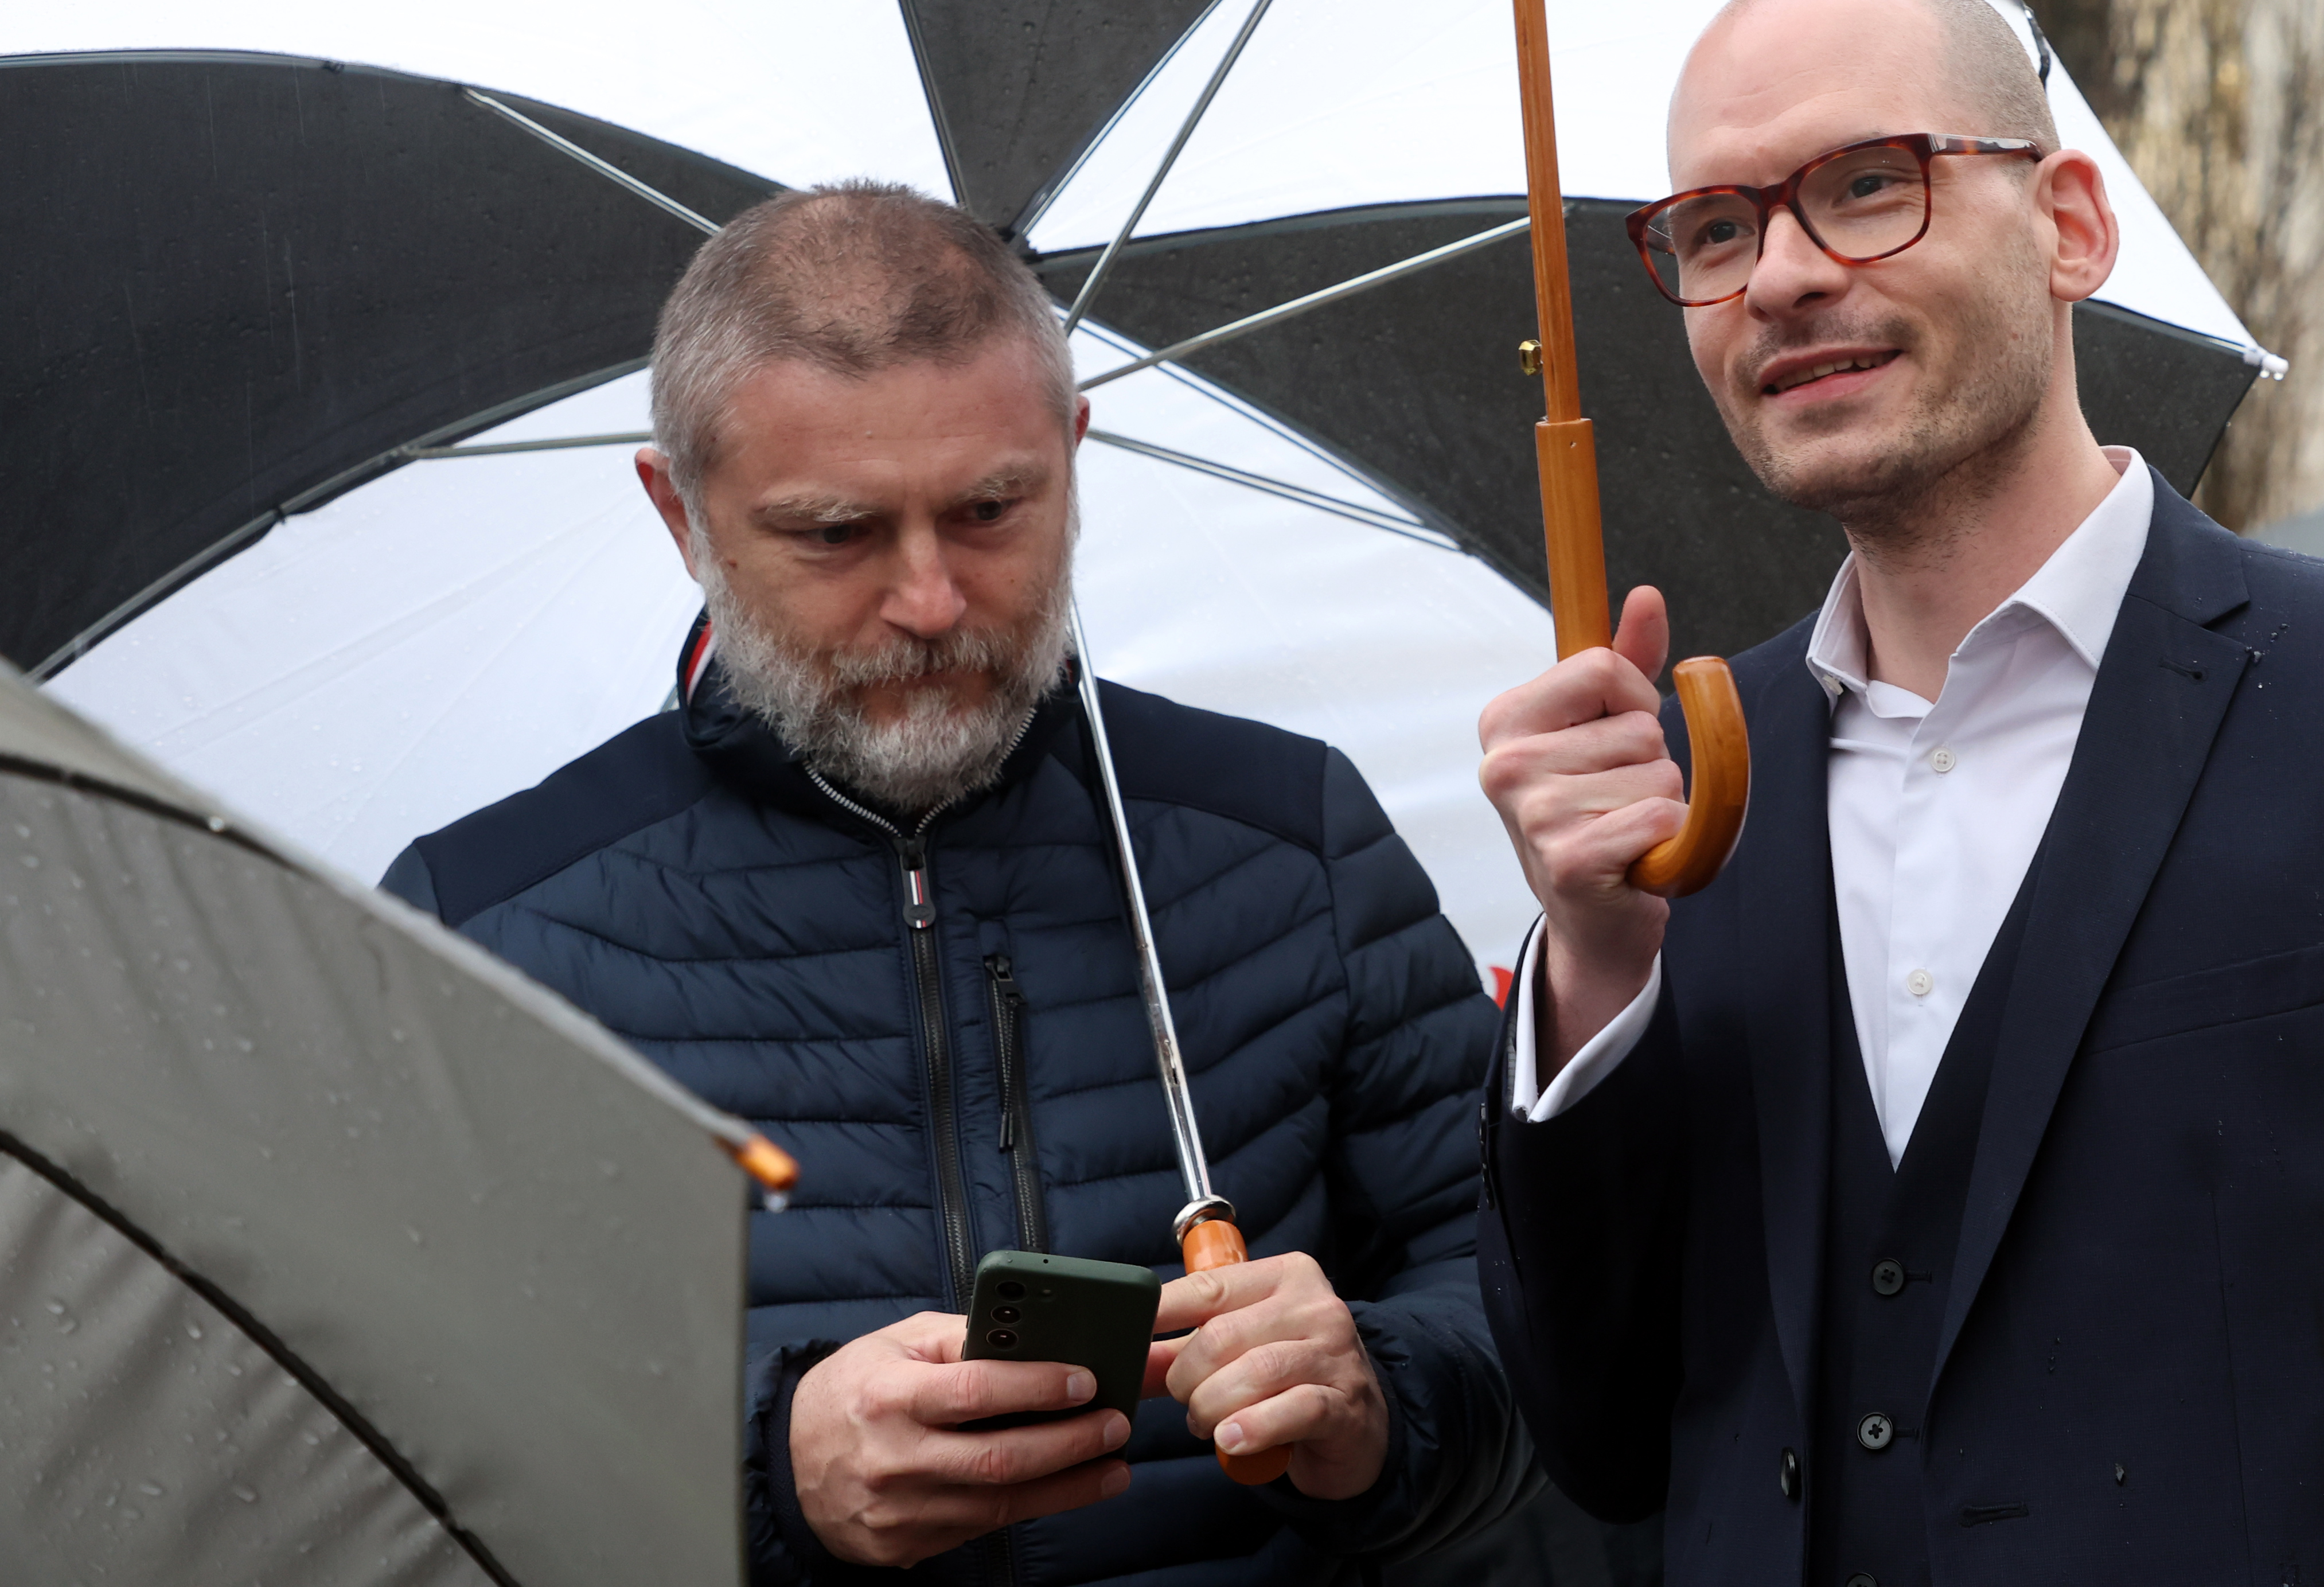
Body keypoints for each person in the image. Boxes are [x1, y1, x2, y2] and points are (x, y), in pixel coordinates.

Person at [1471, 0, 2324, 1584]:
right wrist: (1597, 981)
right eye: (1718, 231)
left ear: (2072, 227)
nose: (1785, 276)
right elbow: (1603, 1442)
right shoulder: (1672, 802)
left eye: (1868, 186)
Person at [383, 185, 1527, 1586]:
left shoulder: (1294, 839)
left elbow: (1527, 1300)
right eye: (837, 533)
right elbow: (386, 1437)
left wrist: (1378, 1404)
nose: (931, 599)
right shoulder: (478, 931)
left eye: (992, 507)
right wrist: (761, 1475)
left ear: (1073, 454)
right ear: (680, 512)